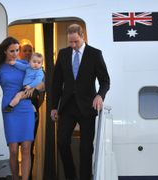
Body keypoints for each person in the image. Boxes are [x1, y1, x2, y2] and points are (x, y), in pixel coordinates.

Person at [50, 24, 110, 180]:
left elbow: (105, 81)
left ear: (82, 36)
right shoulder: (63, 54)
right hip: (67, 106)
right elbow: (56, 84)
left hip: (87, 107)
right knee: (62, 142)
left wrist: (100, 96)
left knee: (85, 148)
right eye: (70, 42)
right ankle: (71, 177)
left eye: (76, 41)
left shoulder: (95, 54)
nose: (73, 45)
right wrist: (53, 107)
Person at [0, 37, 37, 180]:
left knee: (26, 148)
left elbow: (41, 83)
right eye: (12, 51)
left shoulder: (24, 64)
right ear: (5, 51)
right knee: (12, 149)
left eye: (17, 50)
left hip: (25, 108)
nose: (15, 53)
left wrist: (28, 91)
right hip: (9, 109)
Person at [20, 43, 45, 180]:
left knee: (29, 145)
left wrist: (35, 109)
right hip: (16, 112)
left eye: (30, 50)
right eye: (25, 50)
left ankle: (28, 177)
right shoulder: (19, 68)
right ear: (20, 53)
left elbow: (42, 93)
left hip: (32, 112)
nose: (28, 53)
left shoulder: (40, 70)